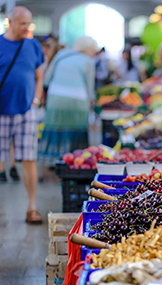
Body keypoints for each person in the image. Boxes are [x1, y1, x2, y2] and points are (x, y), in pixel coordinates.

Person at [0, 6, 45, 223]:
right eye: (22, 23)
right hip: (1, 112)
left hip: (27, 110)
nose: (26, 28)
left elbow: (39, 77)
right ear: (10, 22)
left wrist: (36, 101)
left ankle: (32, 207)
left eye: (29, 23)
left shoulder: (33, 45)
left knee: (29, 158)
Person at [38, 36, 98, 167]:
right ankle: (75, 162)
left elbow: (47, 79)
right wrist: (92, 104)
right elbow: (89, 87)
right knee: (77, 132)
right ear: (88, 49)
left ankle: (52, 161)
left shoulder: (61, 55)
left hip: (55, 99)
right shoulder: (88, 61)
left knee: (55, 128)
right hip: (78, 101)